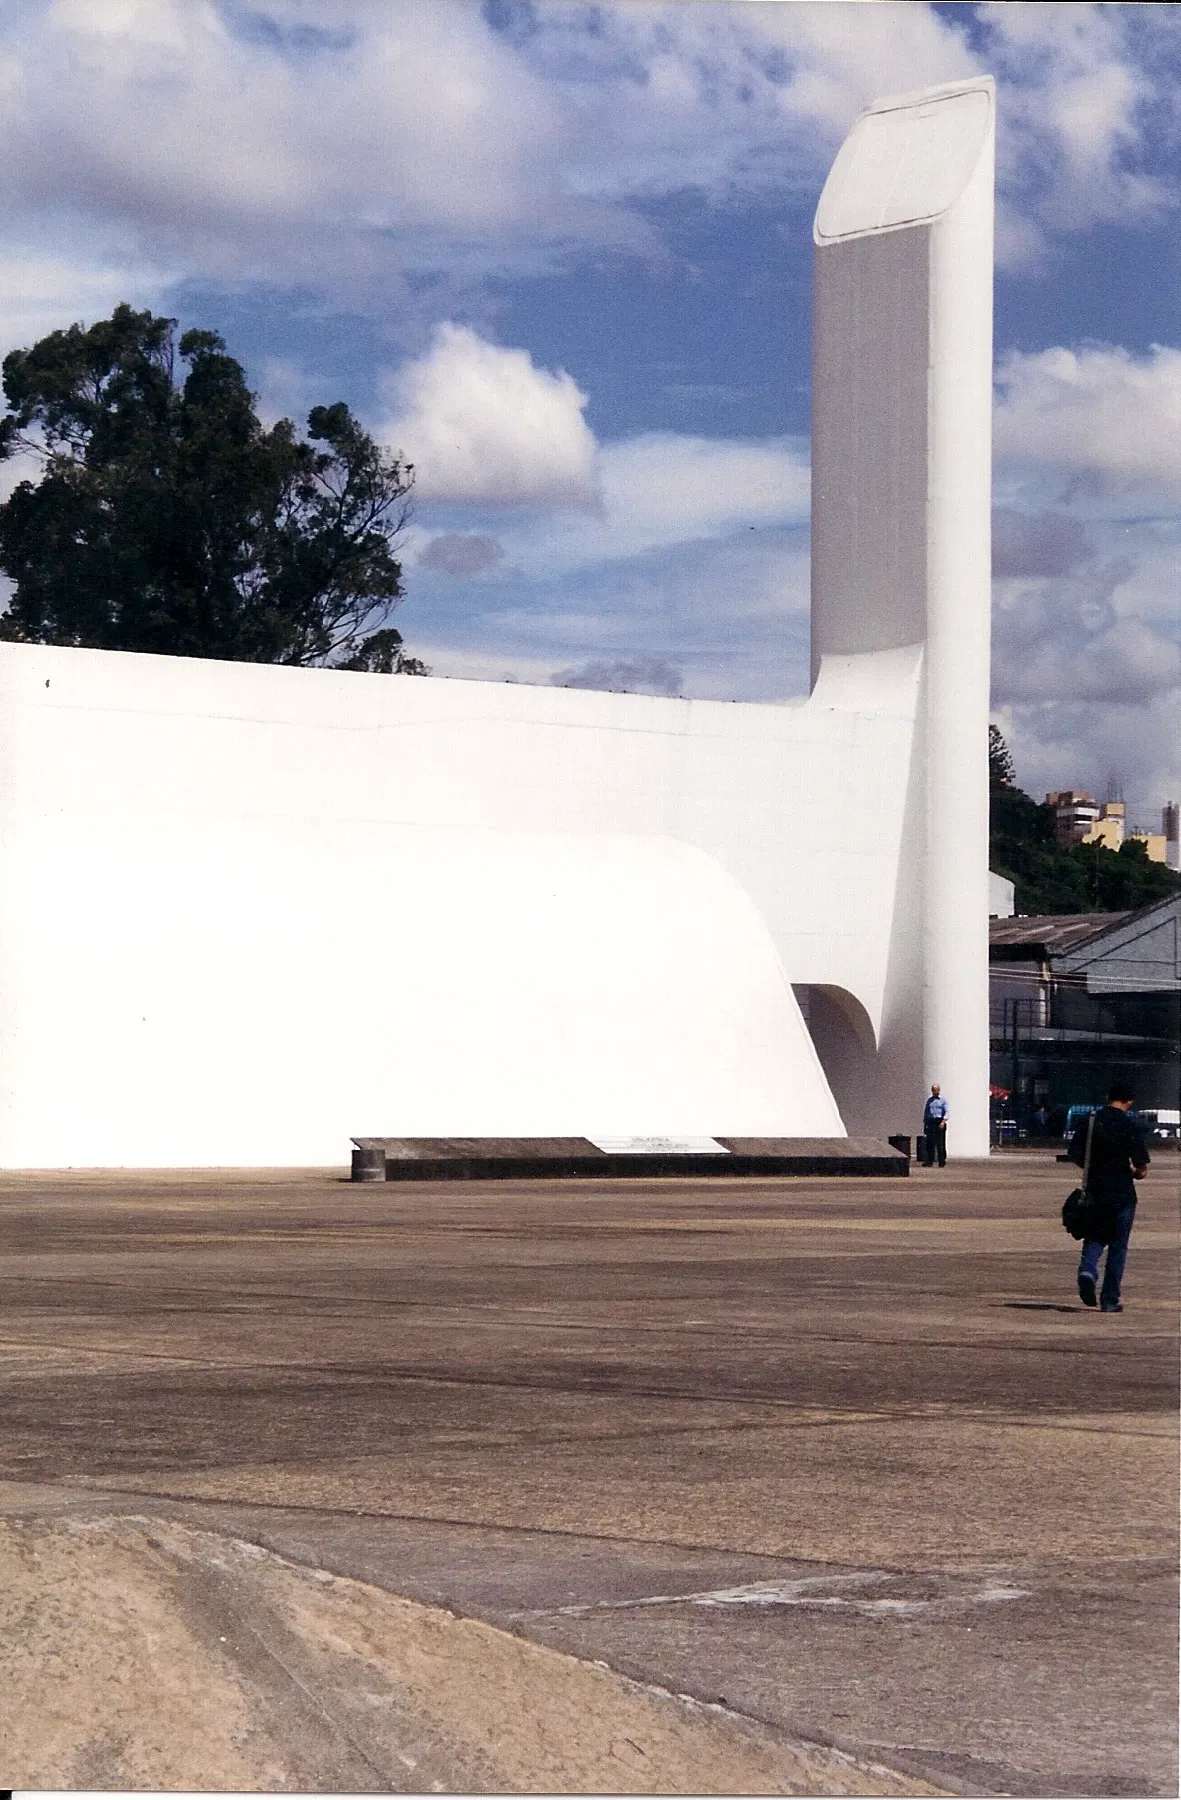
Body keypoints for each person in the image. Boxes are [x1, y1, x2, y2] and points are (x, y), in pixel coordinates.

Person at [1067, 1082, 1150, 1313]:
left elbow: (1075, 1154)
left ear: (1108, 1097)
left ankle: (1087, 1270)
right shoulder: (1130, 1124)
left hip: (1096, 1188)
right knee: (1118, 1246)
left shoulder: (1091, 1120)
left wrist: (1093, 1168)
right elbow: (1141, 1166)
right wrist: (1135, 1172)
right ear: (1129, 1101)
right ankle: (1109, 1299)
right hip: (1122, 1191)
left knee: (1094, 1235)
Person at [922, 1085, 948, 1167]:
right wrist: (925, 1122)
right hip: (931, 1122)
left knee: (940, 1143)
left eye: (936, 1090)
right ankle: (929, 1161)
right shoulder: (929, 1100)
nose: (935, 1092)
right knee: (930, 1143)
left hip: (939, 1121)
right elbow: (926, 1111)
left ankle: (941, 1161)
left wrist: (943, 1122)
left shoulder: (943, 1100)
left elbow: (946, 1112)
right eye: (933, 1090)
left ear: (939, 1090)